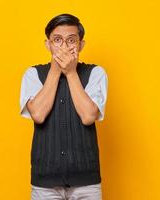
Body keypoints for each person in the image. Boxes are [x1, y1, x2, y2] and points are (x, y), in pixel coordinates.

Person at [19, 13, 108, 200]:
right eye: (57, 40)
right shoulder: (33, 74)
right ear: (48, 45)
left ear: (81, 45)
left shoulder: (95, 73)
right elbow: (38, 114)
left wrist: (71, 72)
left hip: (86, 182)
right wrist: (55, 69)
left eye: (71, 41)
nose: (64, 47)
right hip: (45, 182)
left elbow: (88, 116)